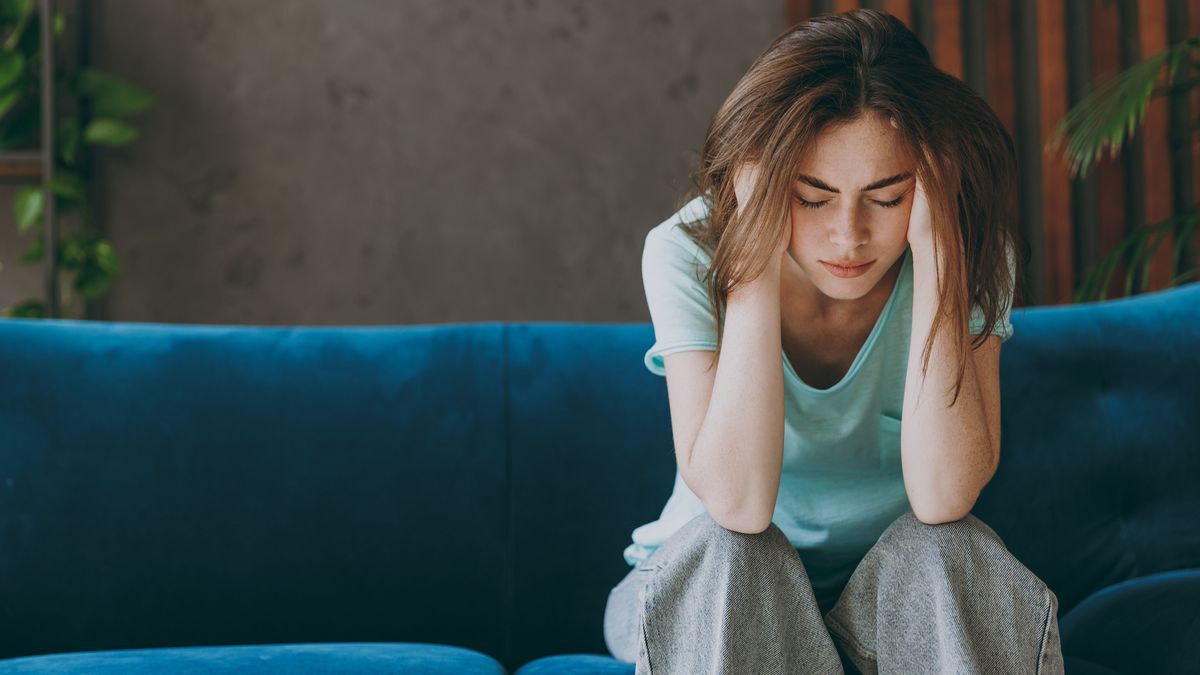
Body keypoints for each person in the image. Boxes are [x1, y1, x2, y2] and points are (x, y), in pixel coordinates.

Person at [603, 8, 1065, 675]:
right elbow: (736, 503)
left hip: (891, 593)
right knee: (737, 550)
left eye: (887, 196)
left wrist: (939, 249)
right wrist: (754, 250)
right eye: (812, 196)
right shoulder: (684, 251)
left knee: (949, 547)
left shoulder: (970, 251)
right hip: (710, 584)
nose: (848, 236)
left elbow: (943, 496)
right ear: (760, 179)